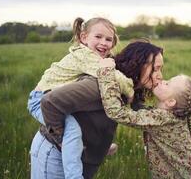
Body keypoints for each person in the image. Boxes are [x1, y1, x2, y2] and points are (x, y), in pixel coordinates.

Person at [30, 40, 164, 178]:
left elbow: (138, 111)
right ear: (139, 64)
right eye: (156, 68)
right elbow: (50, 102)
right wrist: (60, 140)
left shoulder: (127, 87)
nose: (160, 75)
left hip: (78, 159)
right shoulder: (98, 84)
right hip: (55, 154)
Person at [28, 17, 134, 179]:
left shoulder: (99, 58)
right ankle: (74, 174)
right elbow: (111, 76)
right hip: (39, 100)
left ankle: (75, 147)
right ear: (84, 38)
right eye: (98, 37)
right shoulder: (84, 56)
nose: (103, 43)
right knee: (72, 129)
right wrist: (130, 89)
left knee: (81, 124)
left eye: (108, 39)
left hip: (51, 98)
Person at [96, 58, 191, 178]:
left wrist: (105, 72)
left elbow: (116, 112)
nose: (163, 81)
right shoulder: (174, 116)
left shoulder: (161, 119)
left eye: (168, 84)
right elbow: (143, 111)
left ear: (170, 102)